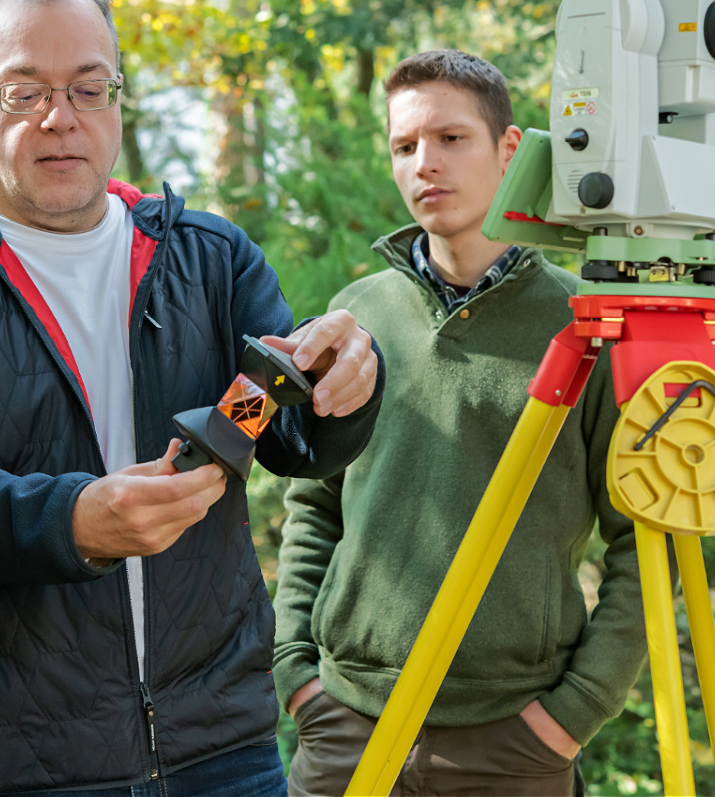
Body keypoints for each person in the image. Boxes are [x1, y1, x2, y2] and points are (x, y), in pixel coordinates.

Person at [0, 0, 384, 797]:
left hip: (225, 750)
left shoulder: (208, 258)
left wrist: (345, 383)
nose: (62, 117)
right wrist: (74, 520)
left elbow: (281, 432)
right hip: (24, 760)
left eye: (89, 89)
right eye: (24, 92)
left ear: (117, 102)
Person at [272, 50, 645, 797]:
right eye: (404, 147)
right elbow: (315, 505)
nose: (424, 165)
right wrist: (297, 675)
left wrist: (573, 713)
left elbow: (642, 536)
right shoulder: (360, 313)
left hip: (511, 738)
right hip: (346, 723)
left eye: (450, 139)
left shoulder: (591, 323)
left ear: (508, 149)